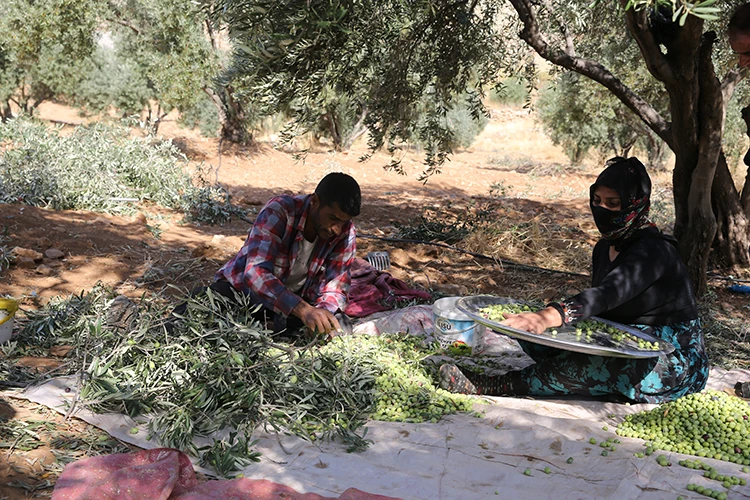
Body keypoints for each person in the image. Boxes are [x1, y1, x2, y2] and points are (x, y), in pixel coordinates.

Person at [440, 157, 709, 403]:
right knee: (532, 336)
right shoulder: (603, 248)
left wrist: (549, 316)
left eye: (613, 204)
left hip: (669, 359)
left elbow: (607, 294)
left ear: (636, 205)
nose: (602, 209)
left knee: (583, 367)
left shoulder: (654, 251)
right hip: (620, 343)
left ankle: (493, 385)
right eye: (597, 201)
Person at [175, 172, 361, 337]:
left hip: (294, 307)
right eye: (333, 218)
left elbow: (336, 287)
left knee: (341, 326)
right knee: (199, 304)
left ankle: (273, 329)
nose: (337, 229)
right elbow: (255, 274)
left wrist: (322, 314)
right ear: (314, 202)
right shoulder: (280, 211)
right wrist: (303, 310)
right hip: (246, 295)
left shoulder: (345, 233)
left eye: (344, 222)